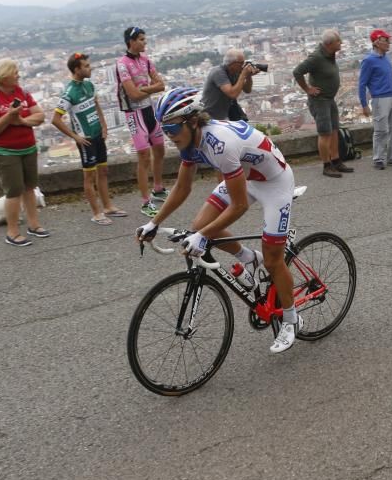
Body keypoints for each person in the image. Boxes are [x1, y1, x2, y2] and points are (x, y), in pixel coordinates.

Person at [135, 87, 302, 354]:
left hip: (274, 183)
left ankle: (292, 320)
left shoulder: (219, 144)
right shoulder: (190, 141)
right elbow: (181, 188)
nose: (168, 136)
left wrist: (202, 237)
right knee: (200, 224)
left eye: (172, 129)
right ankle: (249, 257)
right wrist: (154, 222)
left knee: (273, 259)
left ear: (191, 121)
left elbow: (239, 206)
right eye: (164, 129)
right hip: (246, 177)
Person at [0, 58, 48, 246]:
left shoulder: (22, 93)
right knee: (14, 191)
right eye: (14, 71)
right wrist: (9, 117)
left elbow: (40, 115)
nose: (18, 75)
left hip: (28, 147)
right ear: (4, 75)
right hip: (5, 152)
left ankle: (34, 225)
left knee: (30, 188)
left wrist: (23, 122)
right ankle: (13, 232)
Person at [51, 52, 127, 224]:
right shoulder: (69, 92)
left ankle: (108, 206)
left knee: (104, 171)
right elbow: (55, 119)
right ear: (77, 69)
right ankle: (97, 213)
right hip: (85, 140)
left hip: (98, 134)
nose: (90, 67)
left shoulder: (89, 86)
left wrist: (104, 126)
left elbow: (97, 105)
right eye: (86, 66)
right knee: (89, 177)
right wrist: (75, 137)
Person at [116, 26, 169, 217]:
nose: (144, 42)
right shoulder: (122, 64)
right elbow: (133, 94)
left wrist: (145, 90)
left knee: (160, 149)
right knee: (144, 157)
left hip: (149, 110)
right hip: (134, 114)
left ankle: (158, 188)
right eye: (141, 39)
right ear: (131, 41)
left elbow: (161, 85)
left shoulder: (146, 60)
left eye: (145, 39)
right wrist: (149, 88)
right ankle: (146, 202)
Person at [293, 29, 355, 177]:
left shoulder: (330, 54)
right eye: (338, 41)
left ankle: (336, 160)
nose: (341, 43)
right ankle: (326, 165)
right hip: (319, 101)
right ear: (329, 44)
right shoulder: (316, 57)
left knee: (334, 130)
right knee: (325, 133)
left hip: (329, 99)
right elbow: (297, 72)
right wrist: (308, 89)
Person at [359, 29, 392, 169]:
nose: (388, 42)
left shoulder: (386, 58)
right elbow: (362, 84)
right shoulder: (368, 61)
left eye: (388, 39)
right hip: (379, 99)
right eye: (385, 40)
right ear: (376, 42)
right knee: (381, 130)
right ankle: (378, 159)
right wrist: (364, 104)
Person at [201, 48, 257, 122]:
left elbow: (247, 90)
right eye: (241, 63)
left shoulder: (235, 72)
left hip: (226, 114)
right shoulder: (218, 72)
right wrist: (243, 74)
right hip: (211, 116)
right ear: (232, 63)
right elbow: (232, 94)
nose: (243, 65)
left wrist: (248, 76)